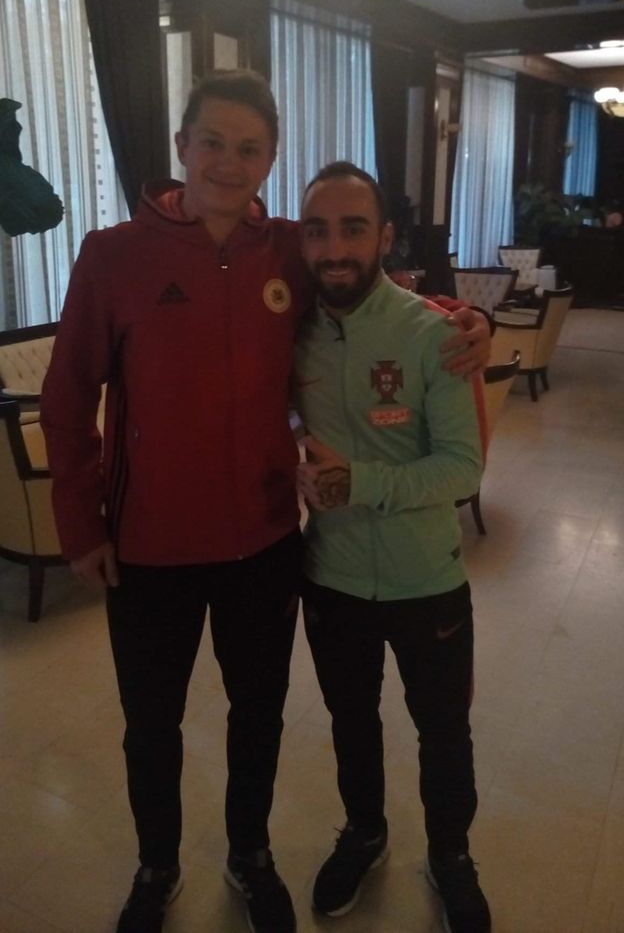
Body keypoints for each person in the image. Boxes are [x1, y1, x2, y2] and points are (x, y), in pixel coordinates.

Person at [40, 71, 490, 933]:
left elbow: (374, 291)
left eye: (249, 148)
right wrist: (80, 523)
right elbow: (66, 399)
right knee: (151, 725)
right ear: (182, 147)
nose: (228, 161)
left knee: (259, 716)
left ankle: (250, 853)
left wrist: (465, 320)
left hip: (266, 545)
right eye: (212, 142)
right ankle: (156, 865)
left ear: (270, 160)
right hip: (149, 548)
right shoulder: (113, 254)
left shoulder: (287, 247)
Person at [294, 161, 491, 933]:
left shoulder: (434, 332)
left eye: (353, 228)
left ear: (383, 236)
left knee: (443, 732)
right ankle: (365, 831)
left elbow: (464, 468)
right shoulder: (292, 331)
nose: (335, 247)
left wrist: (361, 481)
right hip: (331, 577)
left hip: (427, 581)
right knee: (351, 721)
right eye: (318, 230)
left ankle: (451, 855)